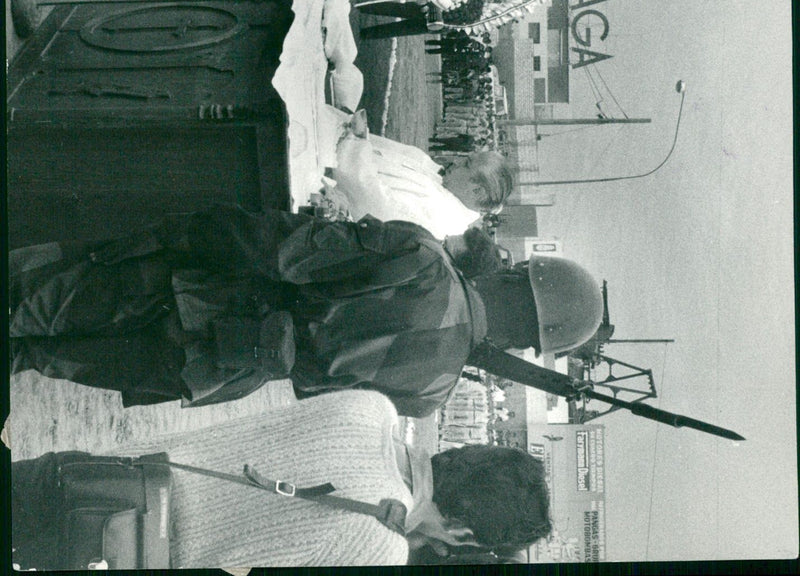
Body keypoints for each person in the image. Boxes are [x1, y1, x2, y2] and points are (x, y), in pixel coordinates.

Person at [10, 206, 604, 415]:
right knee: (33, 355)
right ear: (527, 344)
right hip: (210, 372)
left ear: (517, 276)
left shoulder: (423, 261)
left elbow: (277, 248)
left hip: (190, 294)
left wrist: (179, 231)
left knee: (25, 297)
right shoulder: (430, 395)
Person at [10, 390, 552, 569]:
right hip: (107, 552)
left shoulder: (372, 407)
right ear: (463, 533)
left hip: (92, 473)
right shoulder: (380, 548)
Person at [331, 108, 512, 239]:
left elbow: (373, 202)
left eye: (466, 164)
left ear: (477, 191)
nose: (457, 161)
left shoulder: (444, 219)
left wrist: (356, 141)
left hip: (330, 185)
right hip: (338, 151)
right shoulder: (441, 182)